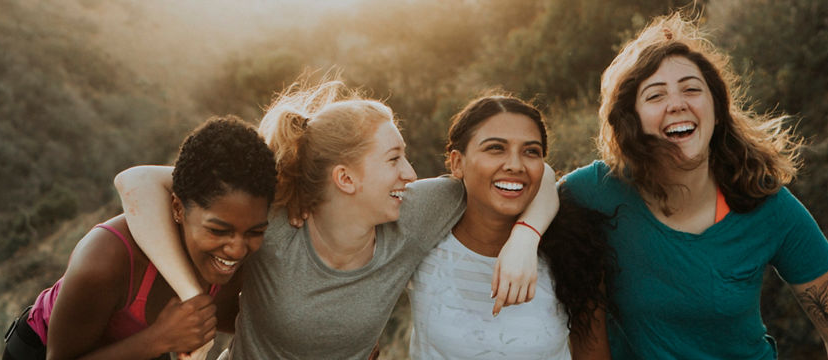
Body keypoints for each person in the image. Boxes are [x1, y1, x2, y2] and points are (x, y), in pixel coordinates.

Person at [114, 78, 559, 359]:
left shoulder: (416, 211)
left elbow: (539, 174)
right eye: (394, 158)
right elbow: (136, 182)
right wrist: (195, 302)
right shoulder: (274, 218)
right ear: (345, 178)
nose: (411, 173)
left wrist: (525, 238)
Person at [560, 13, 828, 359]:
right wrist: (525, 235)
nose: (677, 103)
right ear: (630, 118)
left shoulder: (766, 204)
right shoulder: (598, 190)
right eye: (655, 95)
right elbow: (531, 186)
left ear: (717, 107)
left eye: (692, 89)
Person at [2, 116, 277, 360]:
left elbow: (245, 319)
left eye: (255, 232)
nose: (237, 250)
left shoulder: (230, 266)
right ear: (178, 208)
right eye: (218, 230)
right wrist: (160, 339)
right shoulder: (104, 261)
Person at [408, 94, 614, 359]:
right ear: (457, 163)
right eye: (495, 148)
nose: (515, 165)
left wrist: (526, 239)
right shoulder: (423, 238)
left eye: (531, 151)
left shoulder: (574, 250)